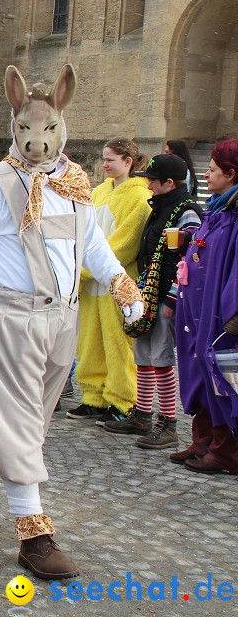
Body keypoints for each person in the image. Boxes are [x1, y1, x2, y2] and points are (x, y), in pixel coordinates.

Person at [0, 64, 144, 580]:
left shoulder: (74, 184)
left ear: (60, 126)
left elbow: (92, 244)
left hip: (61, 318)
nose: (36, 142)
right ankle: (34, 533)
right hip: (6, 318)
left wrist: (122, 285)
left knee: (28, 422)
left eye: (46, 130)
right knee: (21, 422)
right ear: (14, 127)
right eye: (26, 131)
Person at [99, 153, 200, 446]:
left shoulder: (186, 212)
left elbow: (190, 261)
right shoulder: (160, 207)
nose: (149, 187)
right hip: (149, 294)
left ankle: (167, 424)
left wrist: (171, 300)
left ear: (169, 183)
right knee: (143, 356)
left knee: (161, 359)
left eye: (153, 182)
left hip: (166, 297)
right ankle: (142, 415)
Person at [67, 138, 152, 422]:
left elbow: (123, 244)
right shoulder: (99, 192)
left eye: (110, 160)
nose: (104, 165)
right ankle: (94, 395)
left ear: (127, 161)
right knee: (90, 340)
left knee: (118, 344)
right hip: (92, 284)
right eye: (103, 159)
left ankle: (123, 399)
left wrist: (85, 267)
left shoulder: (139, 198)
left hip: (118, 282)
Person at [174, 138, 238, 475]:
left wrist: (232, 312)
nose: (206, 175)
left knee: (222, 376)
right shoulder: (217, 207)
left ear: (230, 173)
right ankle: (204, 440)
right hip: (199, 306)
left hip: (219, 311)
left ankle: (226, 450)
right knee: (198, 370)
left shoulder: (235, 213)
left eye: (212, 170)